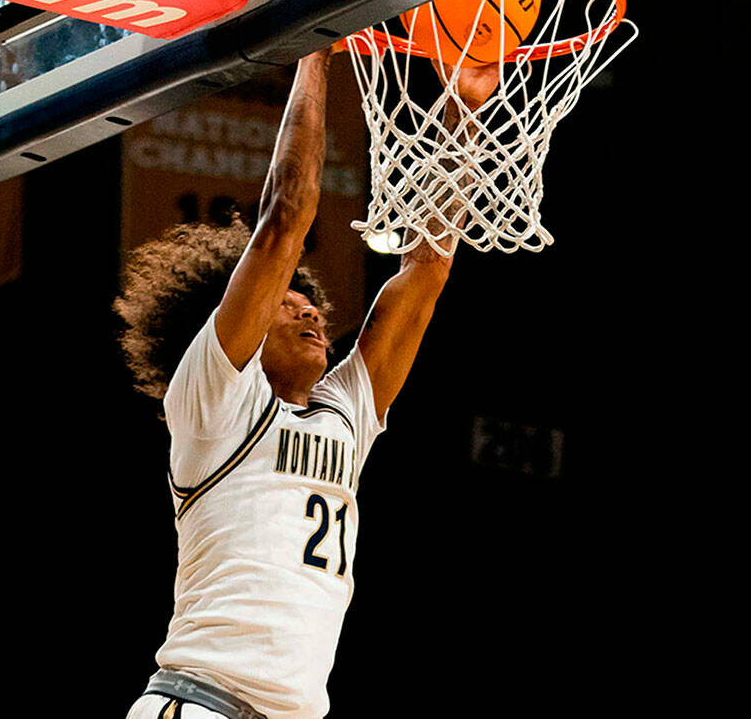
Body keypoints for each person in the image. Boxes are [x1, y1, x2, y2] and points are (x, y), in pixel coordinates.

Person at [117, 50, 499, 719]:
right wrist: (315, 52)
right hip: (203, 702)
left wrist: (463, 106)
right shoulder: (214, 400)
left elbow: (428, 265)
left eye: (310, 301)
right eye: (286, 303)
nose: (310, 309)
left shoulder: (344, 413)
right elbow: (283, 224)